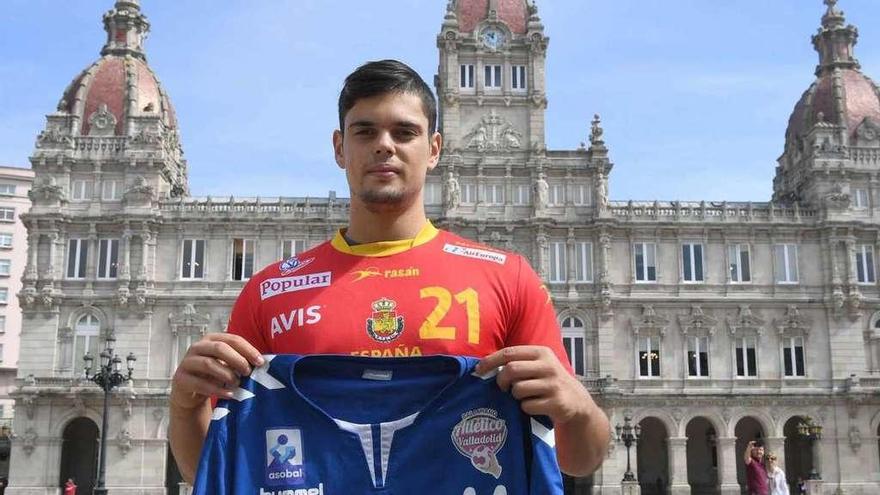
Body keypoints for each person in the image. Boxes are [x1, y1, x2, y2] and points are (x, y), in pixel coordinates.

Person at [169, 59, 610, 482]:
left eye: (404, 132)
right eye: (365, 131)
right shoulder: (271, 292)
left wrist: (577, 407)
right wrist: (186, 406)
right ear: (340, 148)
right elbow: (211, 467)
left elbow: (580, 459)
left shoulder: (508, 278)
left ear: (434, 149)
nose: (385, 144)